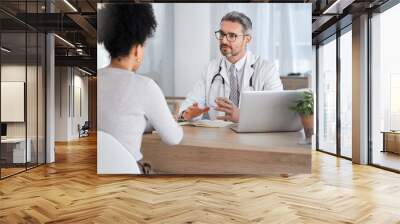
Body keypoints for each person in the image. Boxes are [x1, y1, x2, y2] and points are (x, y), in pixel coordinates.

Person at [97, 4, 183, 174]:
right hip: (128, 175)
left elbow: (116, 122)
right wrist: (172, 120)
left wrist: (149, 123)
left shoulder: (92, 79)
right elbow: (174, 138)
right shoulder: (145, 86)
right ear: (137, 49)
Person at [178, 11, 283, 123]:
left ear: (247, 39)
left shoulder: (266, 69)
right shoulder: (211, 68)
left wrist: (242, 117)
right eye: (222, 34)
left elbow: (278, 113)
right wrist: (187, 115)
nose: (223, 40)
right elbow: (189, 106)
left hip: (253, 137)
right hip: (219, 138)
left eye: (232, 36)